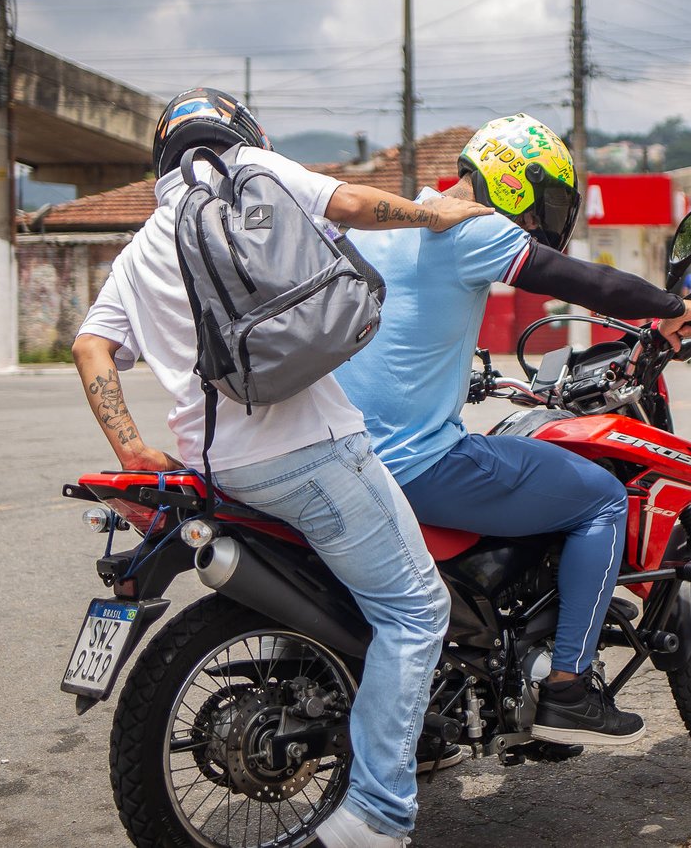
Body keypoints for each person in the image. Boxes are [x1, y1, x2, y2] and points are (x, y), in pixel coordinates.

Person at [71, 87, 491, 848]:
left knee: (365, 597)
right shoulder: (248, 174)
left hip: (220, 471)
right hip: (313, 453)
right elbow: (354, 205)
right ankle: (379, 815)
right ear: (239, 133)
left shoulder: (141, 248)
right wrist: (440, 213)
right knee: (417, 610)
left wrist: (131, 448)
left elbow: (90, 346)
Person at [336, 113, 691, 747]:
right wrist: (675, 307)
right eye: (552, 200)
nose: (548, 217)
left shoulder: (383, 225)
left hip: (339, 456)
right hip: (417, 464)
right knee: (601, 498)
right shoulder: (471, 229)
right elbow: (579, 280)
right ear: (517, 185)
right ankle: (569, 683)